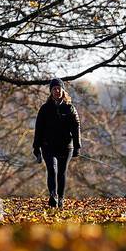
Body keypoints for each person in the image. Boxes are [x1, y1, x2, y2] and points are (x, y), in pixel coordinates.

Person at [32, 78, 81, 207]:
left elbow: (76, 127)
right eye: (54, 89)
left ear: (63, 90)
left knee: (61, 172)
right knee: (52, 170)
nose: (57, 91)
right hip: (48, 146)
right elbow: (38, 129)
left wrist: (77, 146)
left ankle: (61, 199)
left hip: (66, 147)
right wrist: (36, 147)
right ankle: (53, 195)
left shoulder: (70, 108)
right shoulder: (45, 109)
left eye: (59, 88)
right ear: (51, 91)